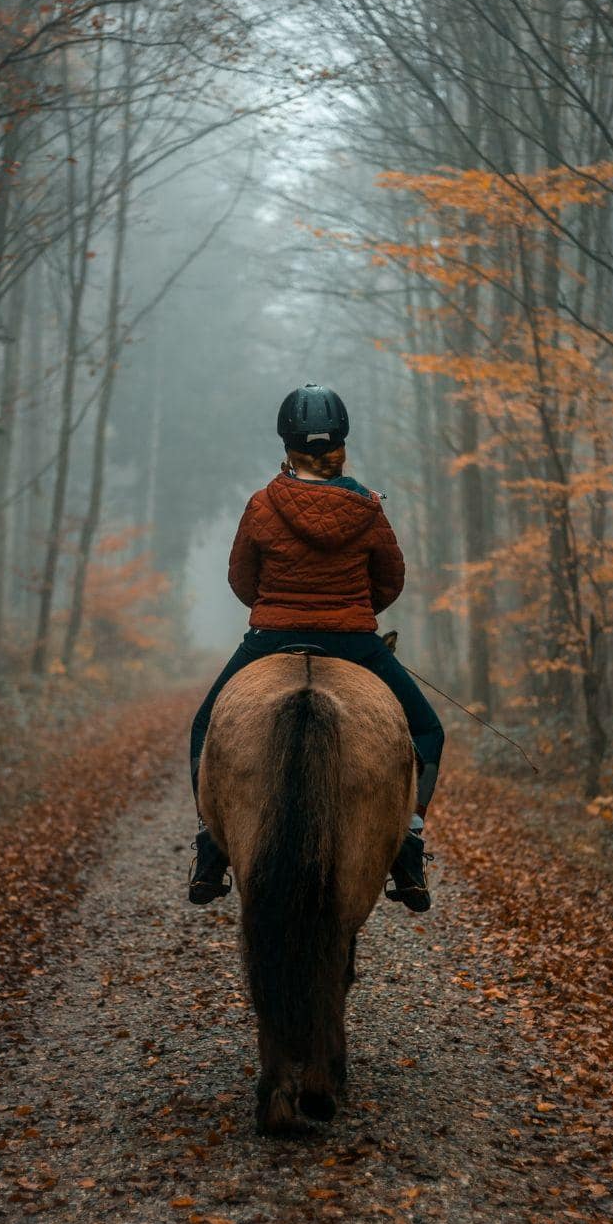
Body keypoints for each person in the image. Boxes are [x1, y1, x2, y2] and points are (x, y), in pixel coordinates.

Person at [188, 383, 443, 912]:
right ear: (341, 443)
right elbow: (390, 581)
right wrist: (352, 610)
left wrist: (276, 606)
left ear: (287, 444)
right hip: (353, 643)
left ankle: (211, 848)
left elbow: (241, 578)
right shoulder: (367, 509)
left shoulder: (262, 505)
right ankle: (409, 844)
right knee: (426, 730)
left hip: (271, 639)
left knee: (204, 726)